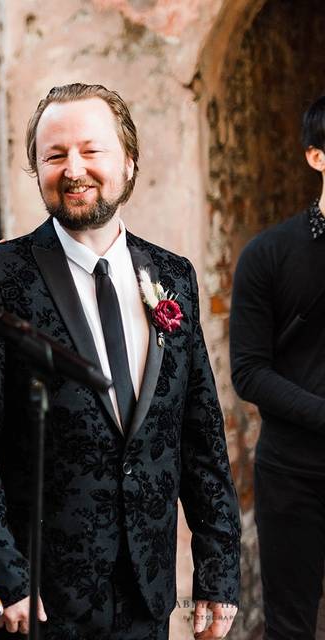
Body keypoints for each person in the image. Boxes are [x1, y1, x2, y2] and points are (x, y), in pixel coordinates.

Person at [0, 83, 241, 639]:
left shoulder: (173, 277)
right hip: (39, 604)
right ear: (37, 169)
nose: (73, 169)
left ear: (128, 160)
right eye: (54, 155)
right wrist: (4, 576)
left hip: (147, 596)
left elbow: (199, 431)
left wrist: (218, 572)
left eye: (90, 150)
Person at [230, 95, 325, 640]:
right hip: (292, 474)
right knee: (290, 627)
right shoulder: (268, 253)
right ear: (317, 157)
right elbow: (249, 371)